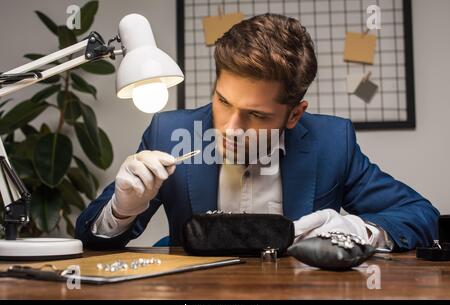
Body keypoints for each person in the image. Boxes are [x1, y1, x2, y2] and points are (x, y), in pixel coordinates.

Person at [76, 13, 439, 251]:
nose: (230, 128)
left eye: (255, 114)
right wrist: (122, 209)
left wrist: (358, 232)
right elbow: (91, 238)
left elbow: (420, 215)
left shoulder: (333, 142)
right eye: (222, 101)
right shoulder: (169, 131)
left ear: (294, 114)